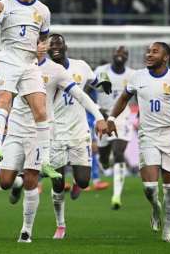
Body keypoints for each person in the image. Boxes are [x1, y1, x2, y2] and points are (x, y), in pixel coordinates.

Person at [0, 34, 109, 243]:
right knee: (5, 182)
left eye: (43, 43)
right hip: (17, 129)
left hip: (44, 131)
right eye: (39, 43)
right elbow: (5, 94)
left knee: (44, 178)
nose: (42, 47)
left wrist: (100, 117)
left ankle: (26, 231)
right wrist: (0, 110)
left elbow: (81, 94)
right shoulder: (13, 66)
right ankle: (16, 182)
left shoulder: (58, 70)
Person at [107, 42, 170, 243]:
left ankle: (167, 232)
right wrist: (112, 119)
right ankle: (155, 207)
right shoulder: (137, 77)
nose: (149, 54)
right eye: (148, 51)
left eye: (154, 52)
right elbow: (123, 100)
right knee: (149, 187)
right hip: (147, 136)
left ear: (165, 57)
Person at [0, 0, 60, 178]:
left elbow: (43, 38)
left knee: (40, 111)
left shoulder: (43, 10)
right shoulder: (5, 5)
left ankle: (45, 161)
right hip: (9, 59)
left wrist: (41, 48)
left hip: (30, 63)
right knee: (4, 101)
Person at [46, 34, 112, 238]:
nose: (55, 46)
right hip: (54, 132)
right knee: (57, 183)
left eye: (58, 43)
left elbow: (94, 81)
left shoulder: (80, 66)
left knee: (84, 181)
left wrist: (105, 83)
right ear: (47, 49)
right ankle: (61, 225)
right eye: (51, 44)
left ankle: (77, 183)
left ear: (66, 46)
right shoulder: (42, 70)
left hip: (78, 131)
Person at [94, 46, 135, 210]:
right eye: (117, 52)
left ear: (127, 57)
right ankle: (104, 162)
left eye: (124, 53)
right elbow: (92, 88)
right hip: (103, 117)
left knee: (119, 153)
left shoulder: (132, 75)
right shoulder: (101, 71)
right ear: (112, 54)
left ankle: (116, 196)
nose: (120, 55)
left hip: (122, 118)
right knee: (104, 158)